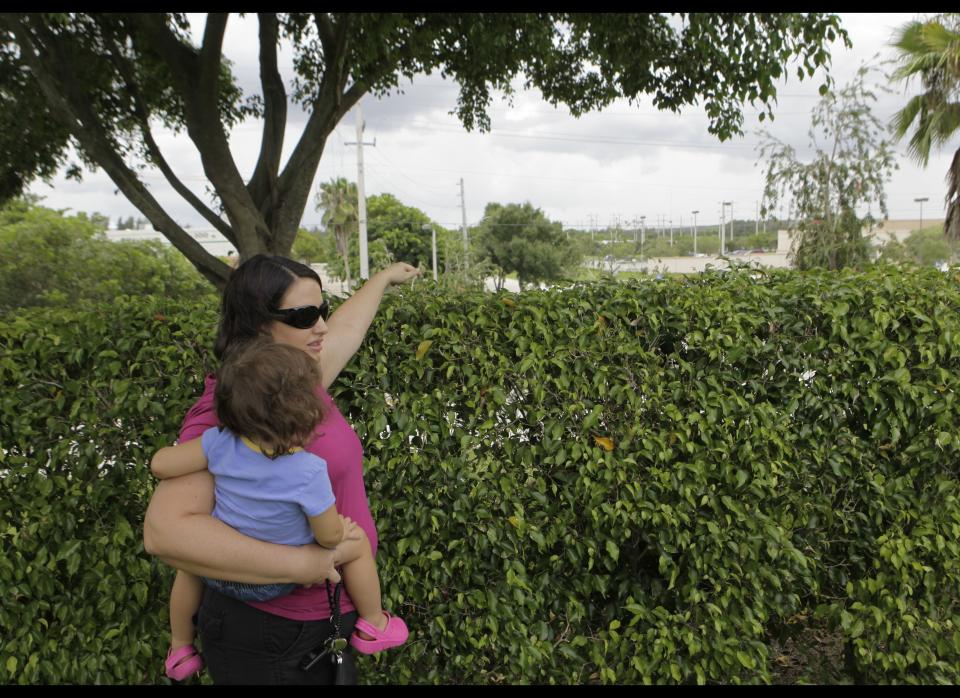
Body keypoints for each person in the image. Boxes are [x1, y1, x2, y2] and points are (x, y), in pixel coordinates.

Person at [143, 255, 421, 684]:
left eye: (322, 310)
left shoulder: (291, 388)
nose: (322, 326)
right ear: (257, 325)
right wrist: (305, 565)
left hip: (318, 624)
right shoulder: (232, 411)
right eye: (305, 316)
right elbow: (165, 533)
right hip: (268, 633)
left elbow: (346, 332)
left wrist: (383, 279)